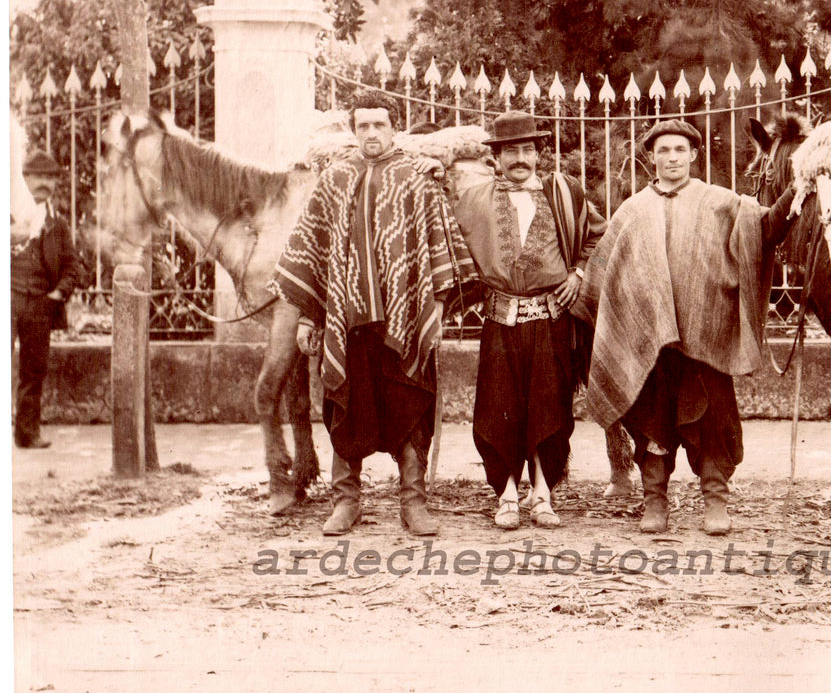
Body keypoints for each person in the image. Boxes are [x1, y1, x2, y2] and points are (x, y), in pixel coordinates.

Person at [270, 89, 476, 536]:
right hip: (347, 322)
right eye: (362, 125)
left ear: (394, 128)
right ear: (353, 130)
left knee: (409, 403)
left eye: (379, 124)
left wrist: (436, 309)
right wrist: (310, 316)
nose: (371, 133)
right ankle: (346, 501)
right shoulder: (335, 179)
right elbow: (315, 251)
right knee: (345, 404)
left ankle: (413, 502)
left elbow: (439, 244)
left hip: (406, 317)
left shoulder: (418, 178)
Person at [579, 118, 790, 535]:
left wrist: (799, 190)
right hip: (649, 346)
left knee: (711, 422)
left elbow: (765, 230)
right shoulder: (632, 211)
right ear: (650, 158)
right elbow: (602, 274)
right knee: (653, 425)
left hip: (706, 339)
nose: (671, 158)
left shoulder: (723, 202)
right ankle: (655, 502)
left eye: (679, 150)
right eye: (663, 151)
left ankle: (716, 501)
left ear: (694, 155)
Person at [452, 111, 606, 529]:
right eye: (510, 151)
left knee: (547, 409)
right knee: (499, 408)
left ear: (538, 153)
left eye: (527, 149)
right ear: (496, 158)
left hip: (549, 319)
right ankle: (506, 496)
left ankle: (542, 495)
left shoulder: (564, 194)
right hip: (499, 320)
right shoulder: (473, 201)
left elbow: (597, 236)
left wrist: (577, 274)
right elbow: (452, 246)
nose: (520, 158)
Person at [11, 151, 84, 449]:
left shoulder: (58, 224)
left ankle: (27, 434)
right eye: (38, 176)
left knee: (34, 370)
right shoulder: (9, 213)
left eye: (51, 177)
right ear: (25, 179)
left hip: (40, 303)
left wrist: (57, 294)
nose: (45, 183)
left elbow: (73, 267)